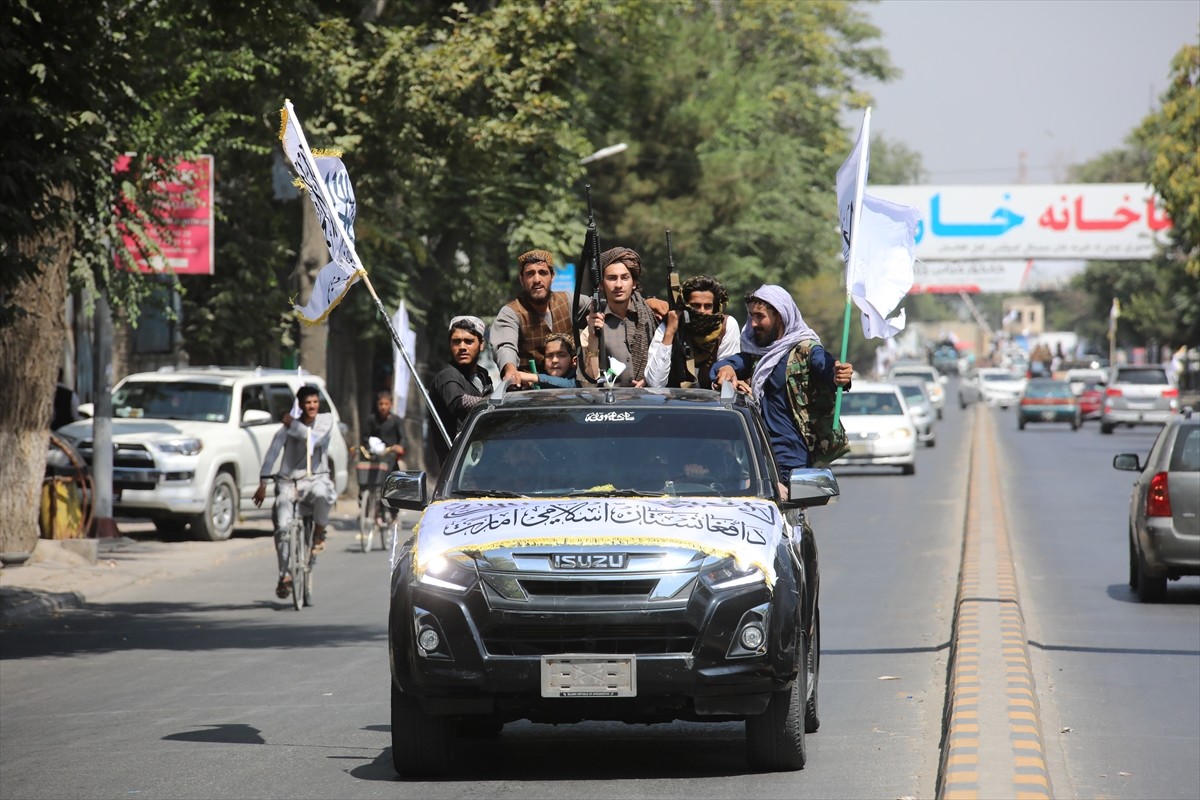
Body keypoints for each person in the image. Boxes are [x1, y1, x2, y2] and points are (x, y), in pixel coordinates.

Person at [712, 285, 853, 485]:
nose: (753, 324)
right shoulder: (757, 354)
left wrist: (838, 375)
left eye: (760, 316)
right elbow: (734, 363)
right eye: (751, 316)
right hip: (755, 454)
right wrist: (725, 369)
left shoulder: (806, 351)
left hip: (791, 455)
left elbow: (826, 367)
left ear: (780, 315)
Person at [252, 385, 338, 600]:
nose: (312, 406)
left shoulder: (325, 421)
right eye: (307, 402)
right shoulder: (285, 430)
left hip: (316, 478)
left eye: (315, 402)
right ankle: (284, 576)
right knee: (282, 528)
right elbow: (272, 454)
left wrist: (295, 425)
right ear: (299, 405)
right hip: (288, 483)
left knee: (322, 494)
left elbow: (314, 439)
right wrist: (263, 482)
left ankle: (319, 532)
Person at [490, 249, 590, 390]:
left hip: (572, 393)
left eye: (542, 273)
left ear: (552, 276)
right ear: (521, 279)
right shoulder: (511, 313)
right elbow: (505, 347)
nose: (537, 280)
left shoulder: (569, 301)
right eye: (530, 274)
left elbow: (600, 309)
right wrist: (510, 369)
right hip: (529, 397)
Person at [580, 247, 660, 387]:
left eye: (624, 278)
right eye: (611, 278)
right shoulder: (594, 326)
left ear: (634, 283)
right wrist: (593, 338)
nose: (618, 285)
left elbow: (666, 359)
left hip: (649, 402)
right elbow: (590, 382)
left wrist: (650, 379)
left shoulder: (653, 318)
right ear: (601, 285)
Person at [645, 274, 742, 389]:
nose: (702, 311)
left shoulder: (726, 325)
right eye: (695, 305)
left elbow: (726, 376)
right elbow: (655, 383)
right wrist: (670, 332)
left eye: (707, 306)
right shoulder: (669, 325)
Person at [429, 315, 494, 472]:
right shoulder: (448, 375)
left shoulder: (483, 377)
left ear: (481, 345)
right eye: (456, 341)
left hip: (485, 464)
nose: (462, 347)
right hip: (457, 471)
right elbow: (459, 402)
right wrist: (494, 404)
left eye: (469, 341)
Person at [509, 332, 580, 389]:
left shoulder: (580, 378)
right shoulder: (538, 379)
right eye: (549, 355)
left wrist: (534, 378)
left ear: (574, 360)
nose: (554, 360)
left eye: (561, 355)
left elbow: (572, 385)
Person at [362, 390, 406, 468]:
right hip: (375, 456)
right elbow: (366, 437)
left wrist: (400, 447)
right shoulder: (372, 420)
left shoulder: (396, 420)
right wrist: (370, 448)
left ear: (391, 405)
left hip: (391, 455)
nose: (383, 407)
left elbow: (403, 438)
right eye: (381, 404)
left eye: (386, 404)